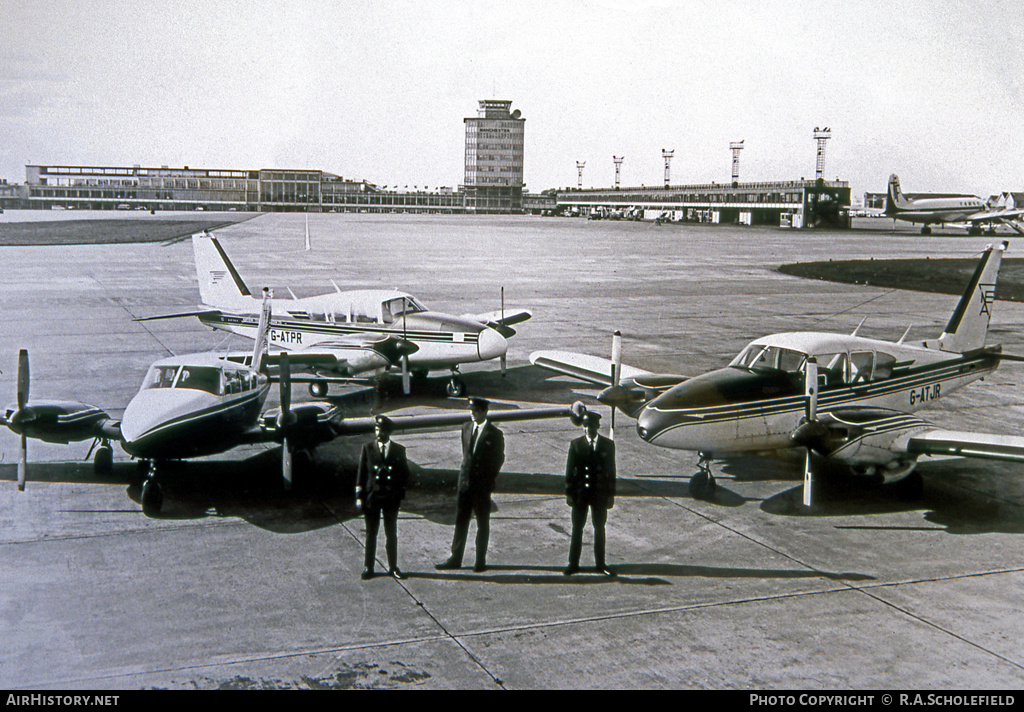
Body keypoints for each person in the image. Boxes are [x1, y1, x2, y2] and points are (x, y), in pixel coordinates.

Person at [436, 397, 505, 572]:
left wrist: (488, 481)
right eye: (471, 411)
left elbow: (498, 460)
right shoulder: (466, 428)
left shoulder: (495, 435)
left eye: (476, 411)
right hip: (465, 484)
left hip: (481, 487)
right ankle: (455, 558)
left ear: (484, 412)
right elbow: (466, 456)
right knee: (461, 521)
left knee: (482, 524)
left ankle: (480, 560)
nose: (472, 414)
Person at [355, 415, 410, 580]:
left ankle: (393, 567)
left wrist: (399, 495)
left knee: (391, 533)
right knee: (371, 533)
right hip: (372, 497)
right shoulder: (367, 448)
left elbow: (404, 474)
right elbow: (361, 473)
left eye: (382, 430)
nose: (379, 433)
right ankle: (368, 567)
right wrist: (359, 496)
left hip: (390, 499)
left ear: (389, 433)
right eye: (377, 429)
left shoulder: (399, 450)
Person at [564, 411, 616, 576]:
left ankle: (600, 564)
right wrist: (569, 493)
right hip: (581, 494)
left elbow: (611, 472)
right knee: (577, 528)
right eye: (586, 426)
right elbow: (569, 471)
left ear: (598, 426)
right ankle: (573, 563)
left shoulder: (607, 445)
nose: (588, 429)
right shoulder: (576, 444)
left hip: (599, 494)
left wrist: (611, 495)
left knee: (599, 528)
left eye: (592, 426)